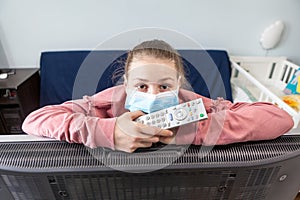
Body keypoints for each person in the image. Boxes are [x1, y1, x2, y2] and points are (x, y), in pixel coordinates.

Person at [22, 39, 294, 153]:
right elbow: (34, 121)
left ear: (178, 84)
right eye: (141, 86)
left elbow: (279, 118)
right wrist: (108, 131)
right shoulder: (102, 105)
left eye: (164, 87)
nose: (153, 94)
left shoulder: (195, 105)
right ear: (126, 84)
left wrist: (193, 130)